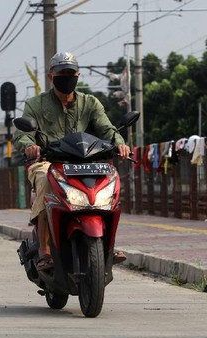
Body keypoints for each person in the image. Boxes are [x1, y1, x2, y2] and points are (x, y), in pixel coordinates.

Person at [12, 51, 131, 271]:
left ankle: (108, 244)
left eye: (70, 73)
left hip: (86, 162)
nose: (66, 77)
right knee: (45, 179)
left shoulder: (90, 103)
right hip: (48, 162)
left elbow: (108, 129)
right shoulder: (35, 104)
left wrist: (120, 143)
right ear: (51, 76)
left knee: (109, 179)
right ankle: (44, 251)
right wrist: (30, 145)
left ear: (78, 75)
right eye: (61, 73)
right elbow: (22, 135)